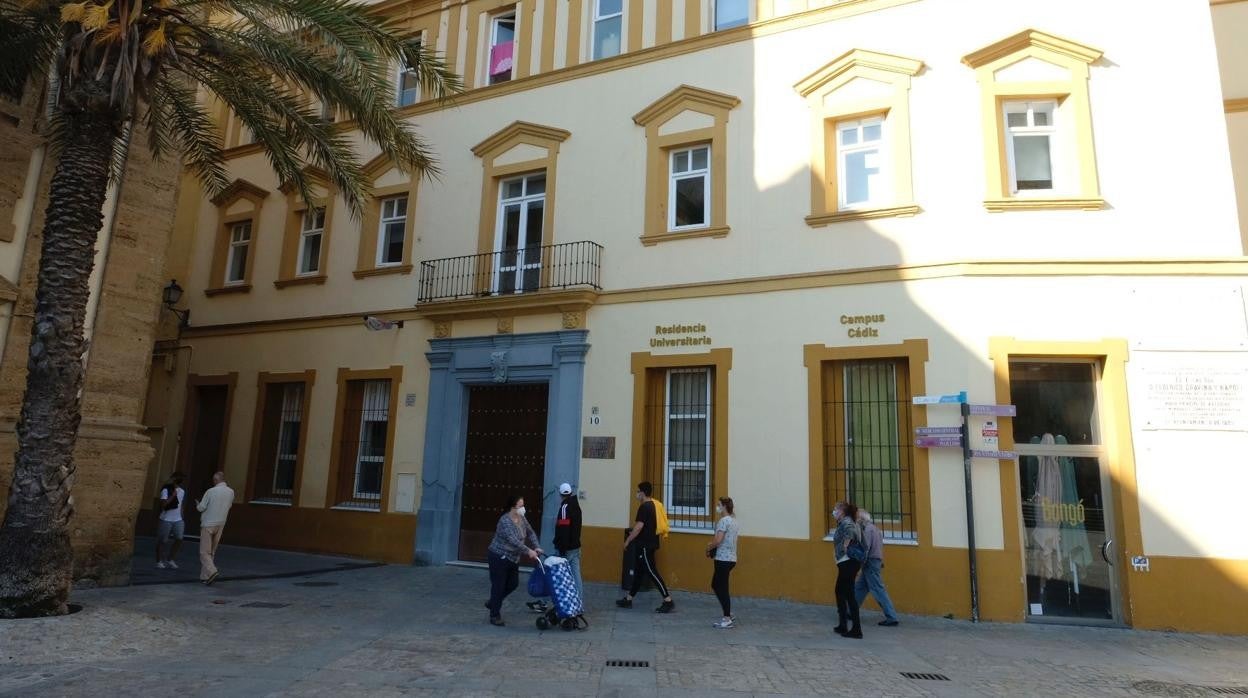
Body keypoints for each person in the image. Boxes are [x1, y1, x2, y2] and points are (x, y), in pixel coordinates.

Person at [617, 481, 674, 613]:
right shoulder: (654, 505)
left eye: (638, 491)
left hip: (644, 545)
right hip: (651, 543)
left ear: (642, 492)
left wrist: (628, 541)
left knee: (652, 572)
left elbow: (638, 527)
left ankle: (668, 600)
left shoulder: (644, 507)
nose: (636, 494)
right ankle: (628, 599)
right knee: (638, 573)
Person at [485, 494, 542, 626]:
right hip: (499, 557)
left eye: (523, 505)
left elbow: (531, 532)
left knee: (513, 584)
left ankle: (493, 601)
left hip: (513, 558)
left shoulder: (522, 518)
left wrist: (537, 547)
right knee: (498, 586)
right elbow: (514, 541)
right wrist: (529, 551)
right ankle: (494, 615)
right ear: (513, 507)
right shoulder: (504, 521)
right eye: (521, 506)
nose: (523, 508)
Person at [855, 509, 900, 627]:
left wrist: (858, 565)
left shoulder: (867, 530)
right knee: (860, 587)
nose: (855, 520)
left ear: (861, 519)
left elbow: (865, 549)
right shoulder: (875, 529)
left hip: (870, 562)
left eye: (857, 518)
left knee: (878, 589)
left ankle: (891, 616)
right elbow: (879, 546)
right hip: (874, 561)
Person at [195, 471, 235, 586]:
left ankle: (212, 571)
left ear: (216, 480)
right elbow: (229, 506)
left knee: (204, 552)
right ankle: (205, 576)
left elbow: (201, 508)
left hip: (208, 523)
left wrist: (197, 504)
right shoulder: (231, 492)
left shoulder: (211, 491)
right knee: (212, 551)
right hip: (221, 523)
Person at [706, 496, 739, 629]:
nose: (717, 507)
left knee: (722, 588)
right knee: (716, 584)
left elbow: (718, 540)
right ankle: (728, 612)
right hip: (731, 558)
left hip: (723, 559)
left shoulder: (723, 521)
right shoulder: (734, 521)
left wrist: (709, 547)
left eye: (719, 504)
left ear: (725, 506)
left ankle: (727, 618)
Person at [832, 501, 864, 639]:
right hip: (846, 562)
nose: (834, 511)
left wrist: (845, 545)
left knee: (848, 594)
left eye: (835, 509)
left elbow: (850, 531)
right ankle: (843, 624)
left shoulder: (847, 521)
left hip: (848, 562)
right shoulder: (846, 521)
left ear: (842, 511)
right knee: (840, 591)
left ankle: (856, 629)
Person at [553, 482, 584, 604]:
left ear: (561, 494)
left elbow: (564, 529)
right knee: (577, 576)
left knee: (560, 577)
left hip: (566, 549)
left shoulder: (565, 507)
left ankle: (562, 602)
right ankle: (579, 602)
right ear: (570, 492)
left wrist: (562, 549)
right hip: (575, 547)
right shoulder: (576, 506)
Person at [155, 472, 186, 569]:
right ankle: (159, 561)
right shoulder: (166, 490)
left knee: (179, 538)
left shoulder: (182, 491)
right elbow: (163, 505)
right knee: (163, 540)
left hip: (178, 519)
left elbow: (181, 504)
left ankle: (170, 559)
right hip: (166, 519)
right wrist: (172, 496)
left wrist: (182, 516)